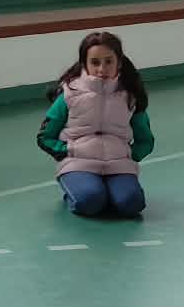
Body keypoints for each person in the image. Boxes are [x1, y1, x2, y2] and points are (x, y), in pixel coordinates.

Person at [37, 31, 154, 218]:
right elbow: (45, 136)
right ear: (85, 64)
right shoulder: (69, 94)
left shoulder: (131, 96)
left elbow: (145, 139)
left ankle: (109, 193)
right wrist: (67, 151)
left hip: (118, 164)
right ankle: (82, 192)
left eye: (108, 61)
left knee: (132, 204)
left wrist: (130, 155)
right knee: (89, 201)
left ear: (119, 63)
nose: (102, 69)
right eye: (95, 62)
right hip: (78, 163)